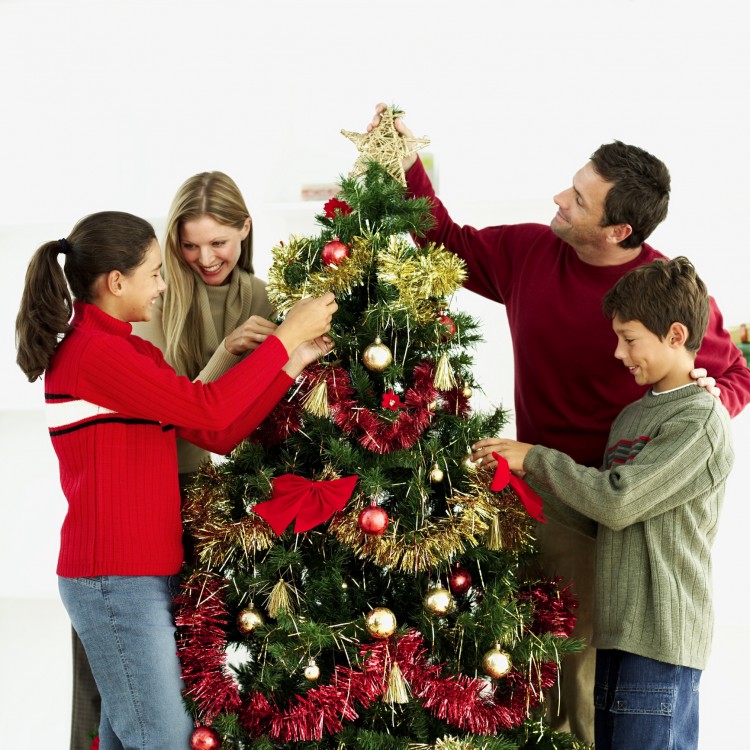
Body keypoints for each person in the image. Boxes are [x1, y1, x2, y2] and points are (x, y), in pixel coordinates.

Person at [367, 103, 750, 743]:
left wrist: (690, 416)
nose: (558, 200)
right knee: (545, 672)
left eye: (577, 199)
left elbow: (731, 378)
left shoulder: (660, 297)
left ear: (617, 229)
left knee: (610, 698)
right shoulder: (528, 251)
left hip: (619, 510)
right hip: (540, 500)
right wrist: (405, 162)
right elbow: (448, 242)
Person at [15, 210, 337, 750]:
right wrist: (285, 336)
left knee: (127, 734)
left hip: (144, 574)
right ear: (117, 283)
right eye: (155, 273)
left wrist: (291, 359)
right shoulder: (95, 354)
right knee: (161, 737)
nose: (164, 286)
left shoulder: (132, 350)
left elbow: (216, 432)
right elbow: (208, 409)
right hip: (114, 579)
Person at [473, 256, 734, 749]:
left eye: (629, 338)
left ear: (676, 336)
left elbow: (618, 500)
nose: (618, 352)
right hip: (615, 634)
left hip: (659, 641)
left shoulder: (697, 421)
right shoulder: (632, 417)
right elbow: (598, 516)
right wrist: (516, 480)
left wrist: (538, 458)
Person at [68, 171, 278, 749]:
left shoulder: (258, 295)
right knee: (133, 702)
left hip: (205, 508)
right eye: (186, 248)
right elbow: (190, 416)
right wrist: (241, 355)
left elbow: (224, 420)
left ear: (245, 230)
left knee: (154, 694)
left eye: (218, 242)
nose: (202, 258)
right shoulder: (133, 321)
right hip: (154, 506)